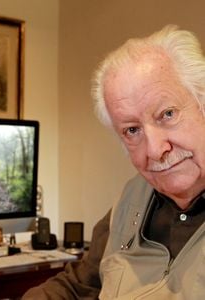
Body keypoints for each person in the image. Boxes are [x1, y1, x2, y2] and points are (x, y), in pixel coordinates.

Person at [22, 25, 205, 299]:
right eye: (132, 130)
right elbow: (82, 283)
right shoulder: (133, 198)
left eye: (167, 114)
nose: (155, 150)